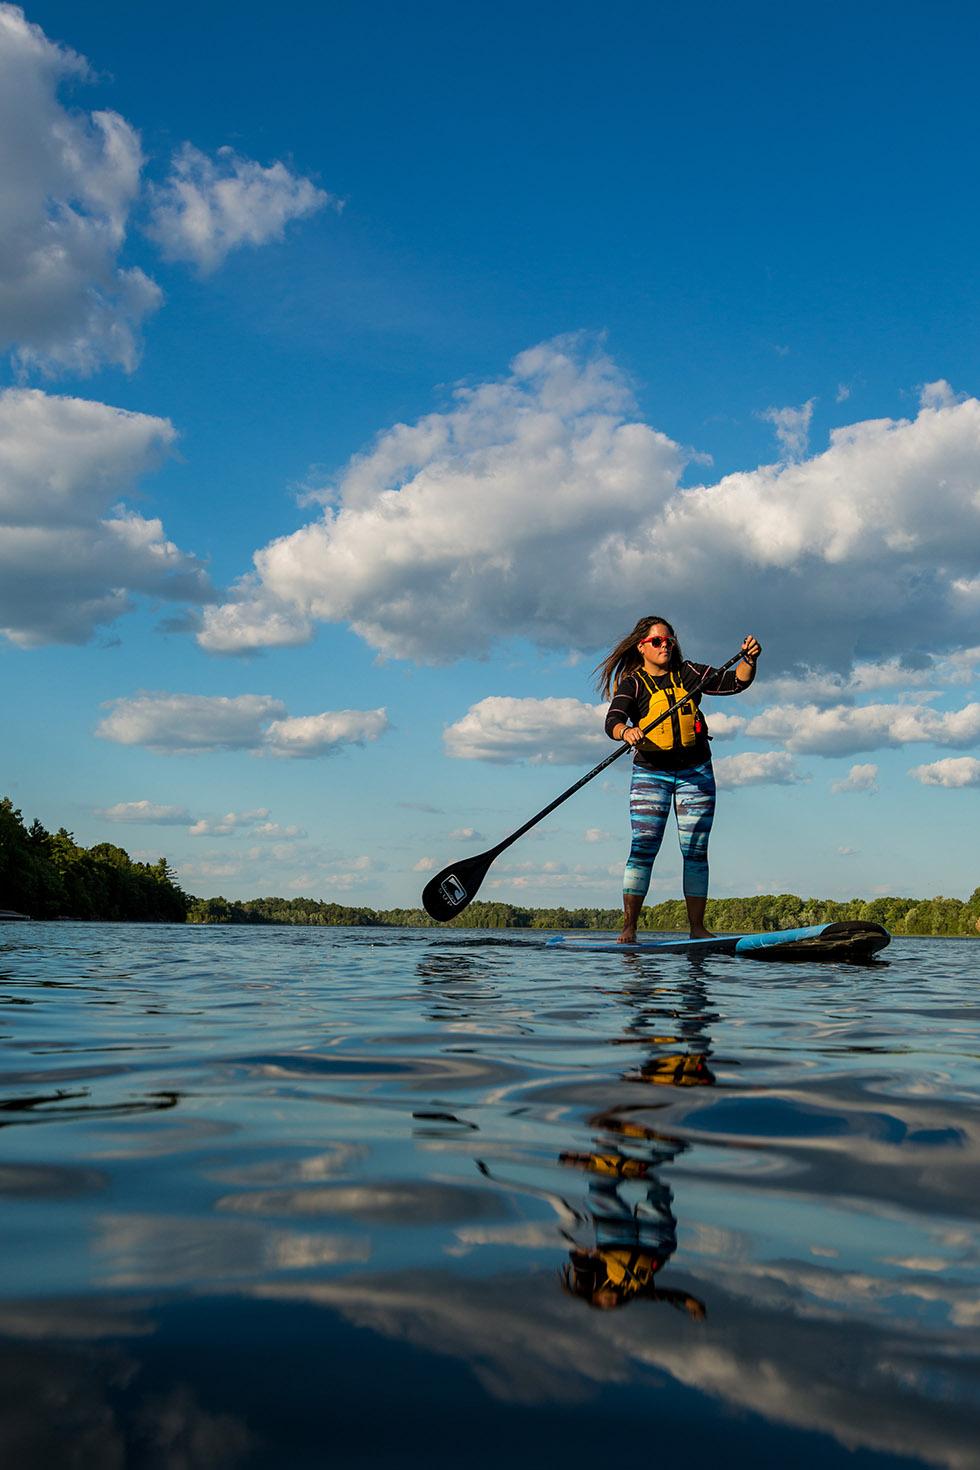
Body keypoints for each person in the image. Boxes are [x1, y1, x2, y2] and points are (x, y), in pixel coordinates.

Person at [594, 616, 761, 943]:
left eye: (668, 640)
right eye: (657, 641)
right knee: (643, 847)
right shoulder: (634, 683)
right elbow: (612, 720)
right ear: (642, 647)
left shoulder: (690, 674)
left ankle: (697, 928)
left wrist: (750, 661)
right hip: (651, 772)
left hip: (695, 772)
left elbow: (735, 682)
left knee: (695, 849)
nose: (665, 645)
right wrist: (626, 731)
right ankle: (629, 929)